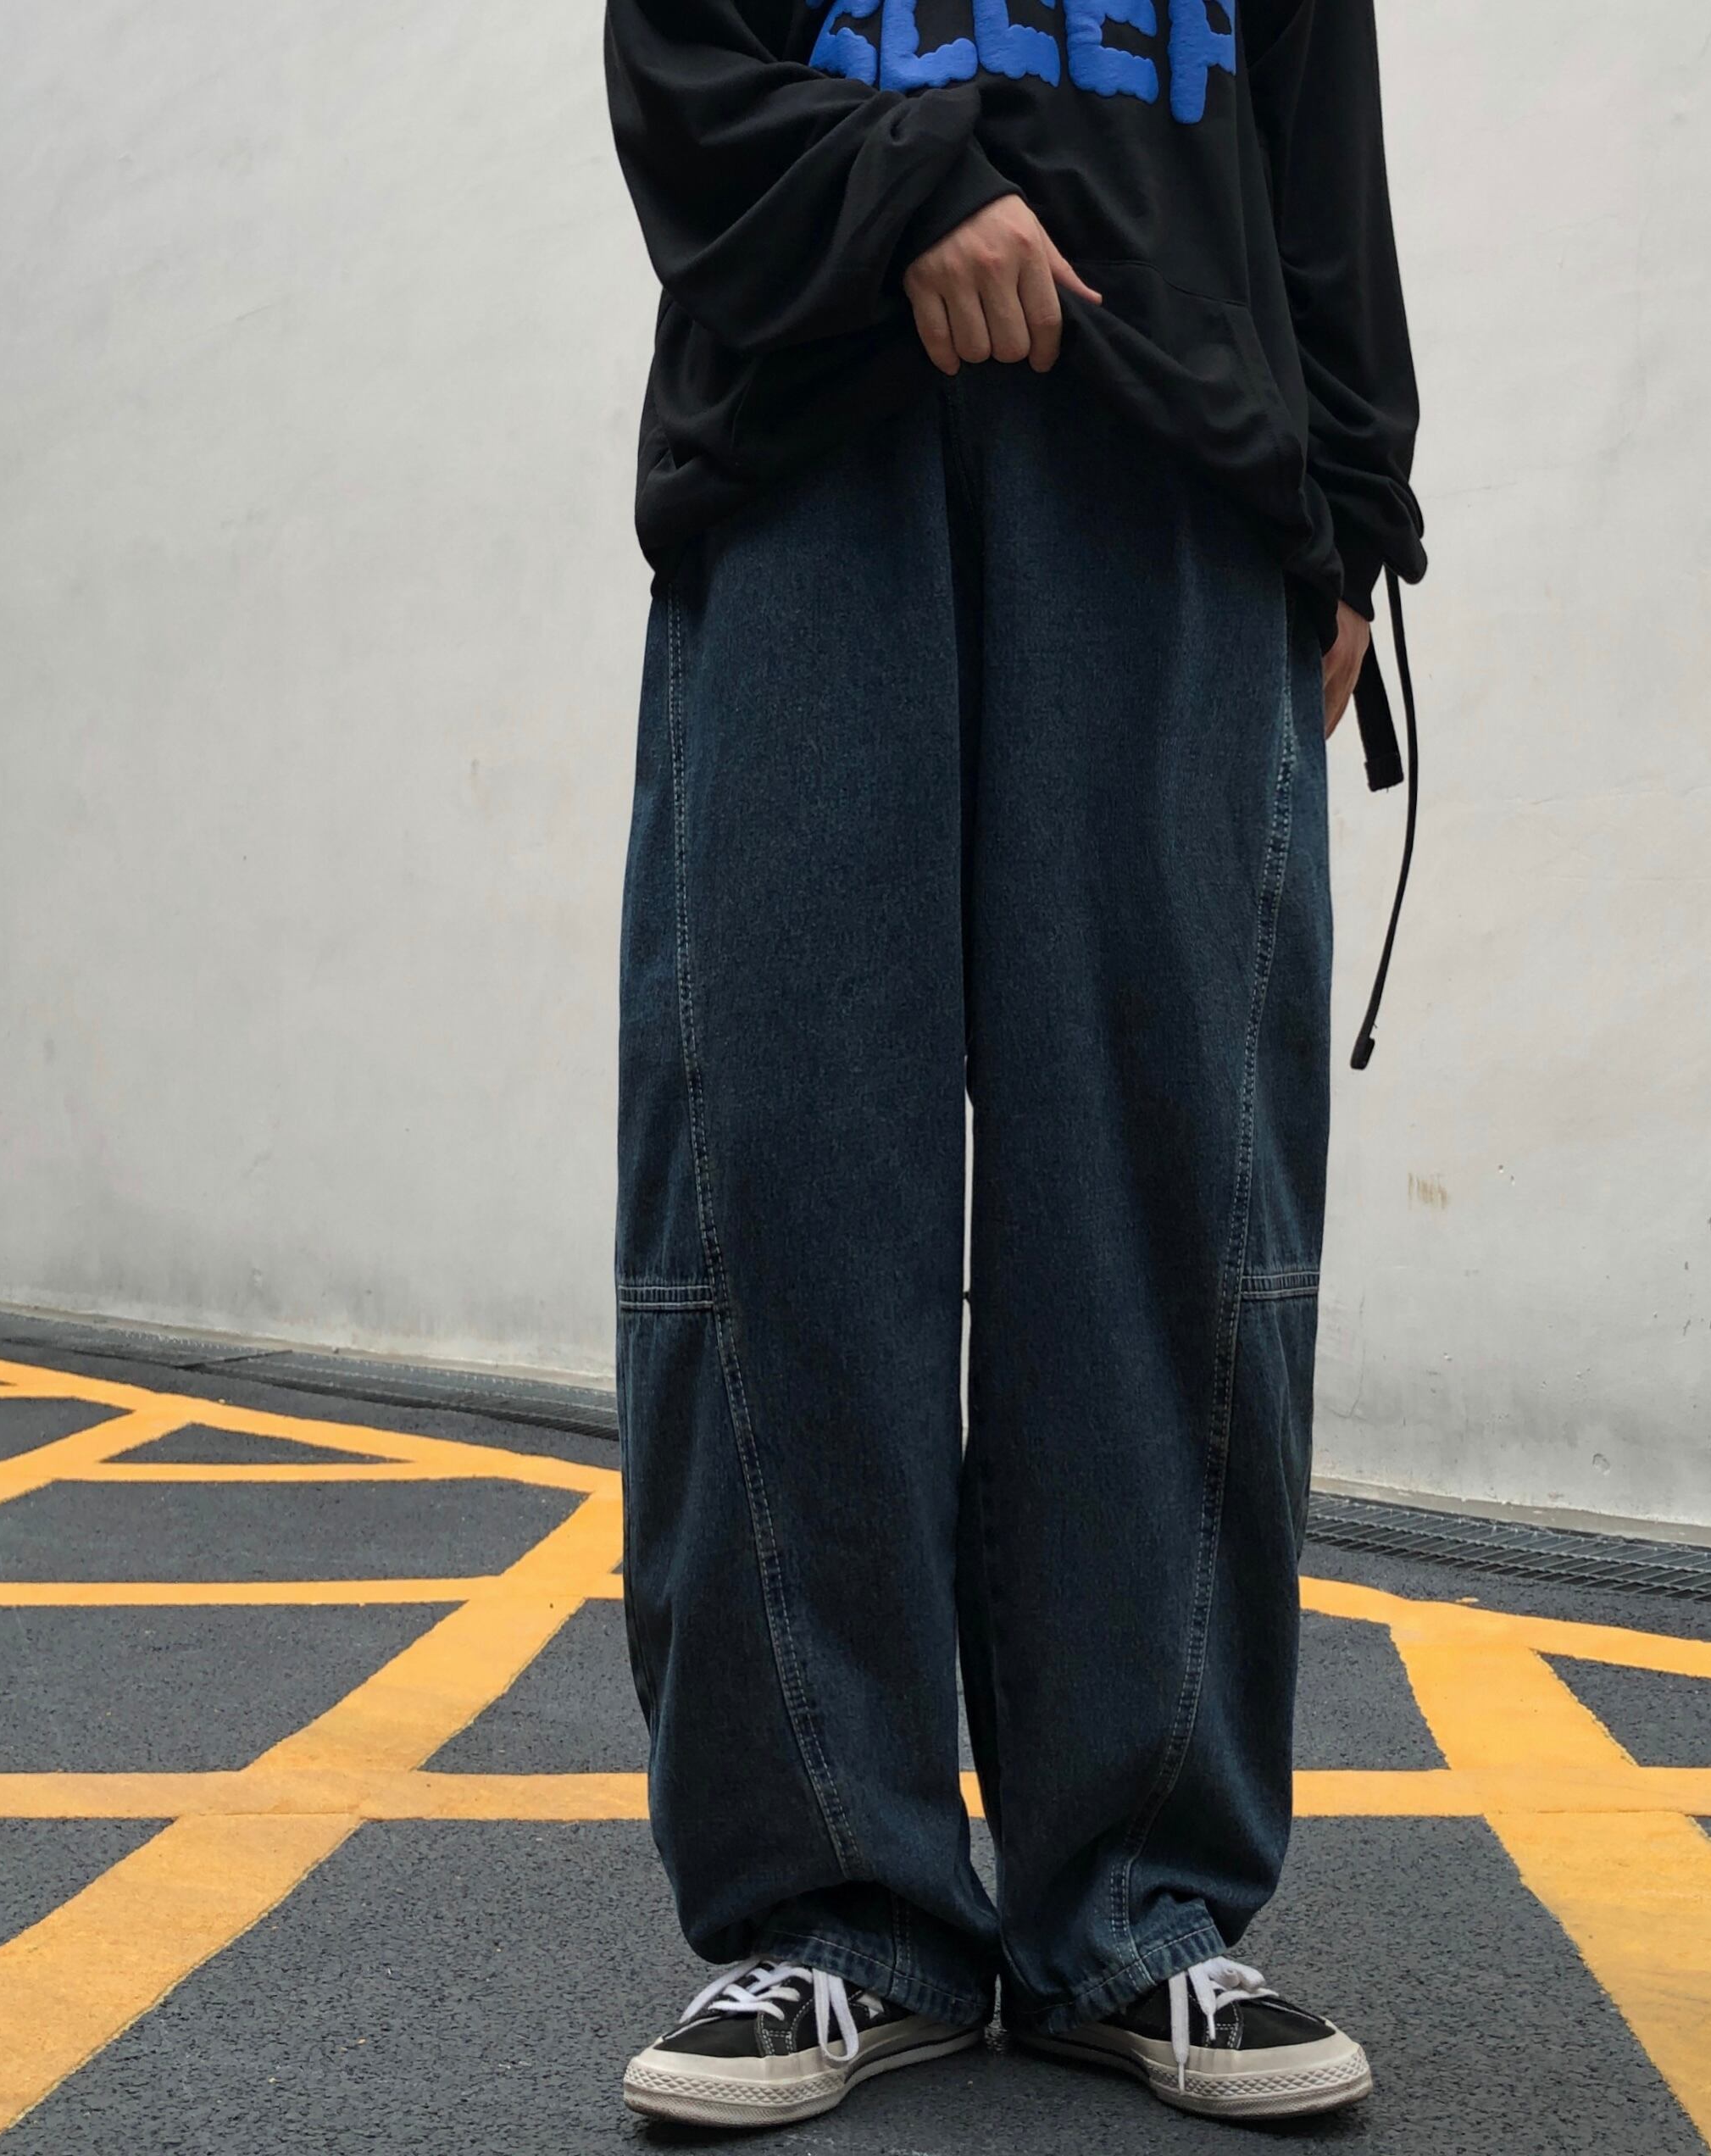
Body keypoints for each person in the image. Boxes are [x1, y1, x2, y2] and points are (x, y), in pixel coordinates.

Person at [603, 0, 1425, 2125]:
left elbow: (1321, 168)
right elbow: (674, 72)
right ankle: (835, 1918)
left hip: (1173, 472)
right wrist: (912, 185)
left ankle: (1136, 1912)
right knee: (782, 1174)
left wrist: (1355, 511)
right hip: (815, 440)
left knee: (1163, 1197)